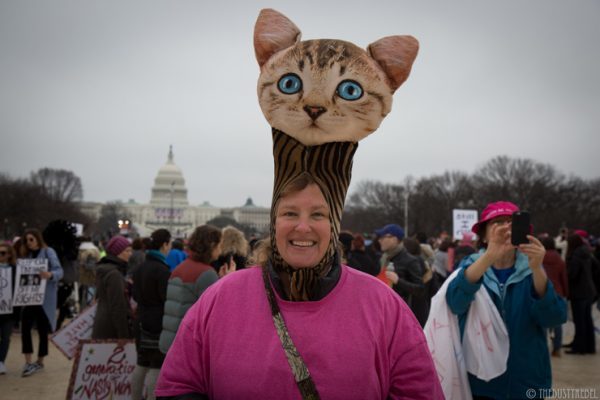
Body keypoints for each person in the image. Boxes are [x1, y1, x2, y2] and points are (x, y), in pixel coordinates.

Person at [155, 175, 442, 399]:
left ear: (333, 226)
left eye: (318, 214)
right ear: (274, 223)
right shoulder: (220, 297)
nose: (303, 227)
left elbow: (418, 391)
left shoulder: (383, 304)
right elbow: (178, 385)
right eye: (290, 213)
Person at [445, 201, 567, 399]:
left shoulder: (532, 269)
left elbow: (554, 318)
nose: (506, 227)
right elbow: (455, 304)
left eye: (512, 222)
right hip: (480, 382)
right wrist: (490, 256)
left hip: (527, 381)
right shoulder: (470, 268)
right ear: (484, 235)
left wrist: (537, 269)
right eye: (498, 222)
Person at [159, 225, 222, 354]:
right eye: (219, 245)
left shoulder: (180, 268)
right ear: (211, 246)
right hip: (188, 345)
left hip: (171, 338)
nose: (221, 250)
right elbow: (217, 312)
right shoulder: (206, 273)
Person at [132, 229, 172, 400]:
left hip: (141, 320)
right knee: (156, 366)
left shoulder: (140, 267)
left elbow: (134, 295)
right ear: (164, 245)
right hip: (157, 323)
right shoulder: (162, 270)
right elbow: (166, 298)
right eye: (169, 244)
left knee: (141, 364)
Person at [19, 229, 64, 377]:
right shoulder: (26, 254)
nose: (29, 243)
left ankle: (40, 361)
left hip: (44, 298)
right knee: (25, 327)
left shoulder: (48, 251)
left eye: (31, 239)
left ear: (38, 239)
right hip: (29, 297)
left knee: (42, 330)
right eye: (26, 240)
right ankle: (28, 361)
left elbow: (59, 271)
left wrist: (50, 274)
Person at [376, 224, 426, 318]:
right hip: (383, 310)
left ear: (394, 239)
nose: (379, 240)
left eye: (383, 237)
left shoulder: (410, 260)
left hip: (402, 314)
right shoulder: (383, 258)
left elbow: (420, 289)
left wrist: (398, 281)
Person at [92, 236, 133, 339]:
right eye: (127, 251)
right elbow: (117, 305)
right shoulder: (114, 274)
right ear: (117, 252)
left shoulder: (105, 269)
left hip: (102, 323)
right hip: (111, 328)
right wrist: (123, 334)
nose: (130, 254)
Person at [565, 233, 597, 354]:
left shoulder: (575, 256)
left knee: (580, 321)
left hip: (579, 292)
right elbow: (596, 267)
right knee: (587, 320)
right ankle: (589, 346)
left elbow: (572, 274)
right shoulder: (586, 253)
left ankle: (580, 347)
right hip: (589, 290)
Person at [540, 236, 569, 357]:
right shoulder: (559, 260)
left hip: (544, 291)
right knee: (557, 323)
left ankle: (543, 349)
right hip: (558, 292)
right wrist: (566, 293)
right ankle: (557, 349)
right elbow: (564, 279)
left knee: (543, 323)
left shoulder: (538, 258)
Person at [0, 243, 17, 374]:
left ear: (9, 255)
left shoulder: (15, 270)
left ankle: (1, 362)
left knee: (6, 338)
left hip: (9, 311)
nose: (0, 255)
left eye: (3, 253)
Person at [77, 237, 101, 310]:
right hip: (91, 277)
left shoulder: (84, 250)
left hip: (84, 277)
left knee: (83, 296)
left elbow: (87, 265)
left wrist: (82, 264)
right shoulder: (95, 250)